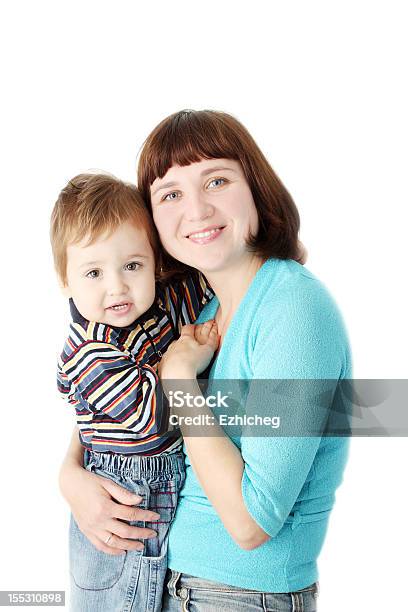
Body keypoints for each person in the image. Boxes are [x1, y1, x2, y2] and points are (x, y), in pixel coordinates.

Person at [59, 110, 351, 611]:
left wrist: (177, 377)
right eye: (170, 193)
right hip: (168, 580)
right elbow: (108, 403)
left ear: (256, 187)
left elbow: (250, 523)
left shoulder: (292, 309)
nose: (195, 209)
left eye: (216, 179)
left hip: (236, 595)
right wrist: (70, 473)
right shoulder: (204, 310)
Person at [51, 172, 217, 611]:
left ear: (154, 263)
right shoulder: (88, 350)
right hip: (125, 498)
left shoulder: (158, 305)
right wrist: (184, 361)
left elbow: (210, 282)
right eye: (94, 272)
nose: (117, 286)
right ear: (64, 281)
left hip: (164, 492)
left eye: (132, 265)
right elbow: (153, 416)